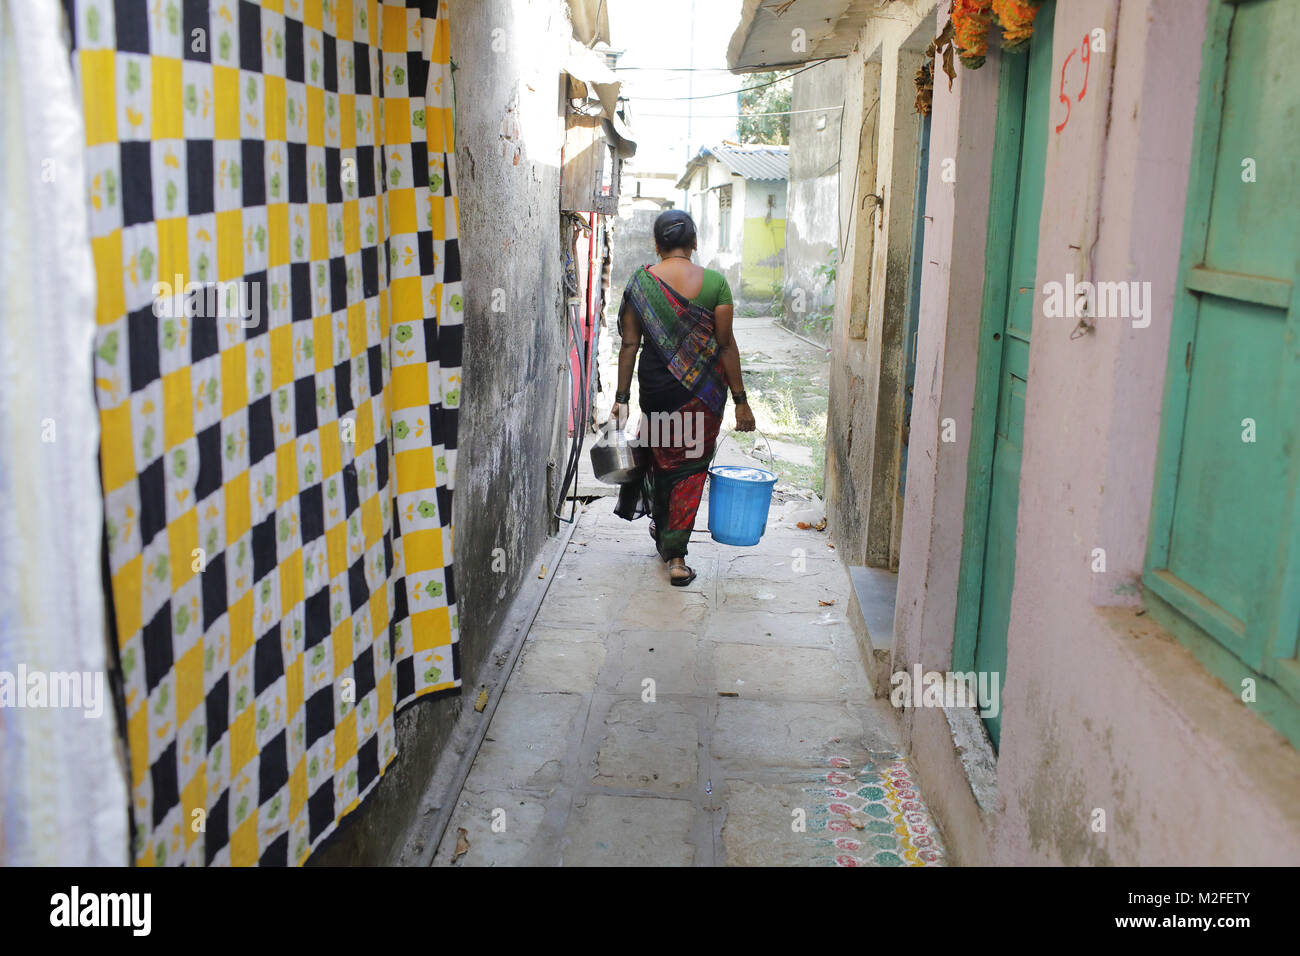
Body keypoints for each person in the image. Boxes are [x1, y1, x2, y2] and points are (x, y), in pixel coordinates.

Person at [611, 209, 756, 587]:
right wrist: (741, 400)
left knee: (662, 462)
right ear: (694, 242)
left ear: (657, 244)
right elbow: (725, 345)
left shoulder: (641, 283)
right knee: (689, 470)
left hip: (658, 393)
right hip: (703, 398)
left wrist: (621, 397)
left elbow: (629, 344)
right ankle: (677, 555)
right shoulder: (716, 284)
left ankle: (664, 535)